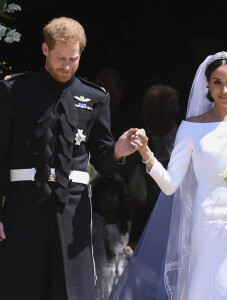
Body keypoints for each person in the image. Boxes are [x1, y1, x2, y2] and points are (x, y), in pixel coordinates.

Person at [109, 51, 227, 299]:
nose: (225, 90)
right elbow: (170, 185)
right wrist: (145, 151)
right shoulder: (191, 127)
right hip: (207, 226)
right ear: (207, 84)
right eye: (217, 82)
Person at [0, 17, 141, 300]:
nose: (66, 66)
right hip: (24, 204)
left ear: (81, 54)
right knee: (20, 286)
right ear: (44, 50)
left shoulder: (94, 97)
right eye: (60, 58)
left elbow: (101, 157)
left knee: (72, 291)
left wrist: (118, 150)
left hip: (72, 208)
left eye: (73, 59)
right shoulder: (14, 90)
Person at [122, 84, 179, 256]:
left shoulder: (186, 141)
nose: (147, 117)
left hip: (178, 229)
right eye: (145, 110)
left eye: (154, 111)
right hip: (142, 235)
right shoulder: (133, 145)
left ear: (171, 112)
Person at [91, 174, 131, 300]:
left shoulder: (126, 226)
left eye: (112, 194)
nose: (108, 198)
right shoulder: (92, 224)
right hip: (97, 280)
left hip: (120, 280)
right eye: (103, 195)